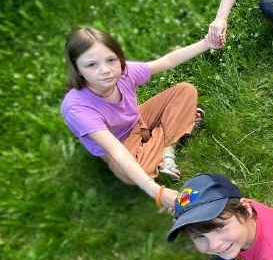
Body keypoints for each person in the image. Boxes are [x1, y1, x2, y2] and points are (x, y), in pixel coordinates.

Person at [60, 27, 211, 211]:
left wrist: (206, 43)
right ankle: (176, 127)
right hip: (120, 145)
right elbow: (117, 152)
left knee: (185, 90)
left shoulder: (124, 72)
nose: (105, 70)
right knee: (134, 172)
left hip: (139, 120)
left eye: (111, 60)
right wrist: (158, 192)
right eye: (91, 65)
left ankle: (167, 146)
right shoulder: (76, 107)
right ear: (77, 70)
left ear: (119, 57)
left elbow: (167, 61)